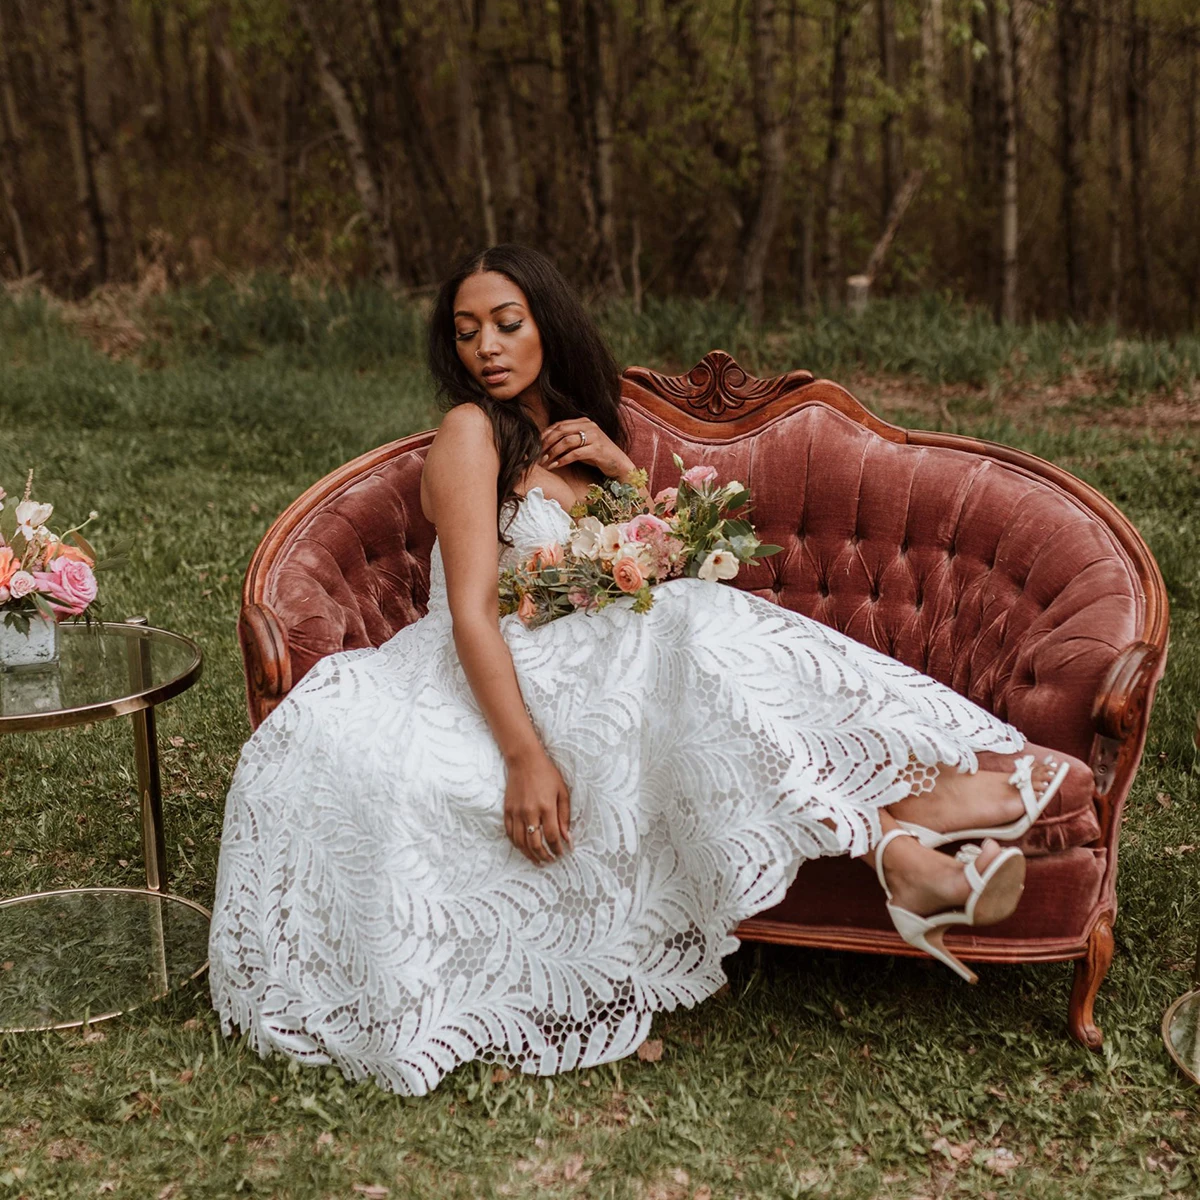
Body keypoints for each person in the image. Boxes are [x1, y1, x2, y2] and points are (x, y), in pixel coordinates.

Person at [209, 244, 1069, 1097]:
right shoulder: (470, 434)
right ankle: (913, 829)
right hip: (486, 665)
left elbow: (661, 567)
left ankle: (900, 849)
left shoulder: (581, 438)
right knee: (687, 626)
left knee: (689, 622)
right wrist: (523, 757)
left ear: (547, 325)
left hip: (585, 654)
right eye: (468, 333)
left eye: (508, 325)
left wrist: (623, 472)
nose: (488, 349)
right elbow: (471, 610)